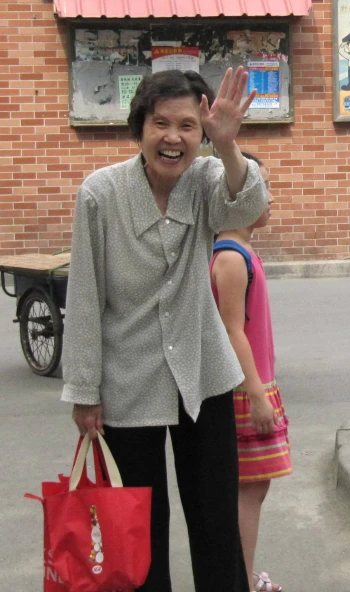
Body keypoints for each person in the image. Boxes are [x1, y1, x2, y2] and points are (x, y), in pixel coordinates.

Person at [61, 67, 268, 591]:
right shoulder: (99, 195)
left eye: (187, 126)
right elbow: (84, 297)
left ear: (201, 133)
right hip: (129, 384)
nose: (173, 138)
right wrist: (85, 390)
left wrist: (228, 147)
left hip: (204, 375)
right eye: (160, 124)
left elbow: (248, 206)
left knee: (216, 519)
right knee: (138, 527)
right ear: (141, 128)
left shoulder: (205, 179)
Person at [210, 152, 291, 592]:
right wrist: (257, 394)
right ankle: (239, 580)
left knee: (253, 489)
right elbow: (230, 329)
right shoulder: (230, 257)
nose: (271, 197)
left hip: (256, 385)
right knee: (248, 490)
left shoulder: (240, 250)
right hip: (246, 390)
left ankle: (240, 576)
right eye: (263, 188)